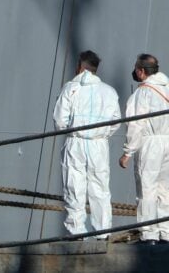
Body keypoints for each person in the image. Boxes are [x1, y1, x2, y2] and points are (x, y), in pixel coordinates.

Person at [53, 50, 121, 238]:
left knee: (74, 187)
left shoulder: (70, 88)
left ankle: (77, 232)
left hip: (76, 142)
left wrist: (74, 130)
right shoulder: (109, 91)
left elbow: (59, 121)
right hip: (98, 145)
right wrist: (101, 134)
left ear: (80, 67)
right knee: (100, 189)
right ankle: (103, 232)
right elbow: (116, 120)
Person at [119, 54, 169, 244]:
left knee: (147, 189)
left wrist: (127, 152)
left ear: (141, 71)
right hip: (168, 142)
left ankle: (149, 234)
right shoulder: (167, 87)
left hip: (151, 143)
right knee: (164, 189)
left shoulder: (143, 92)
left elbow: (136, 124)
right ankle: (166, 232)